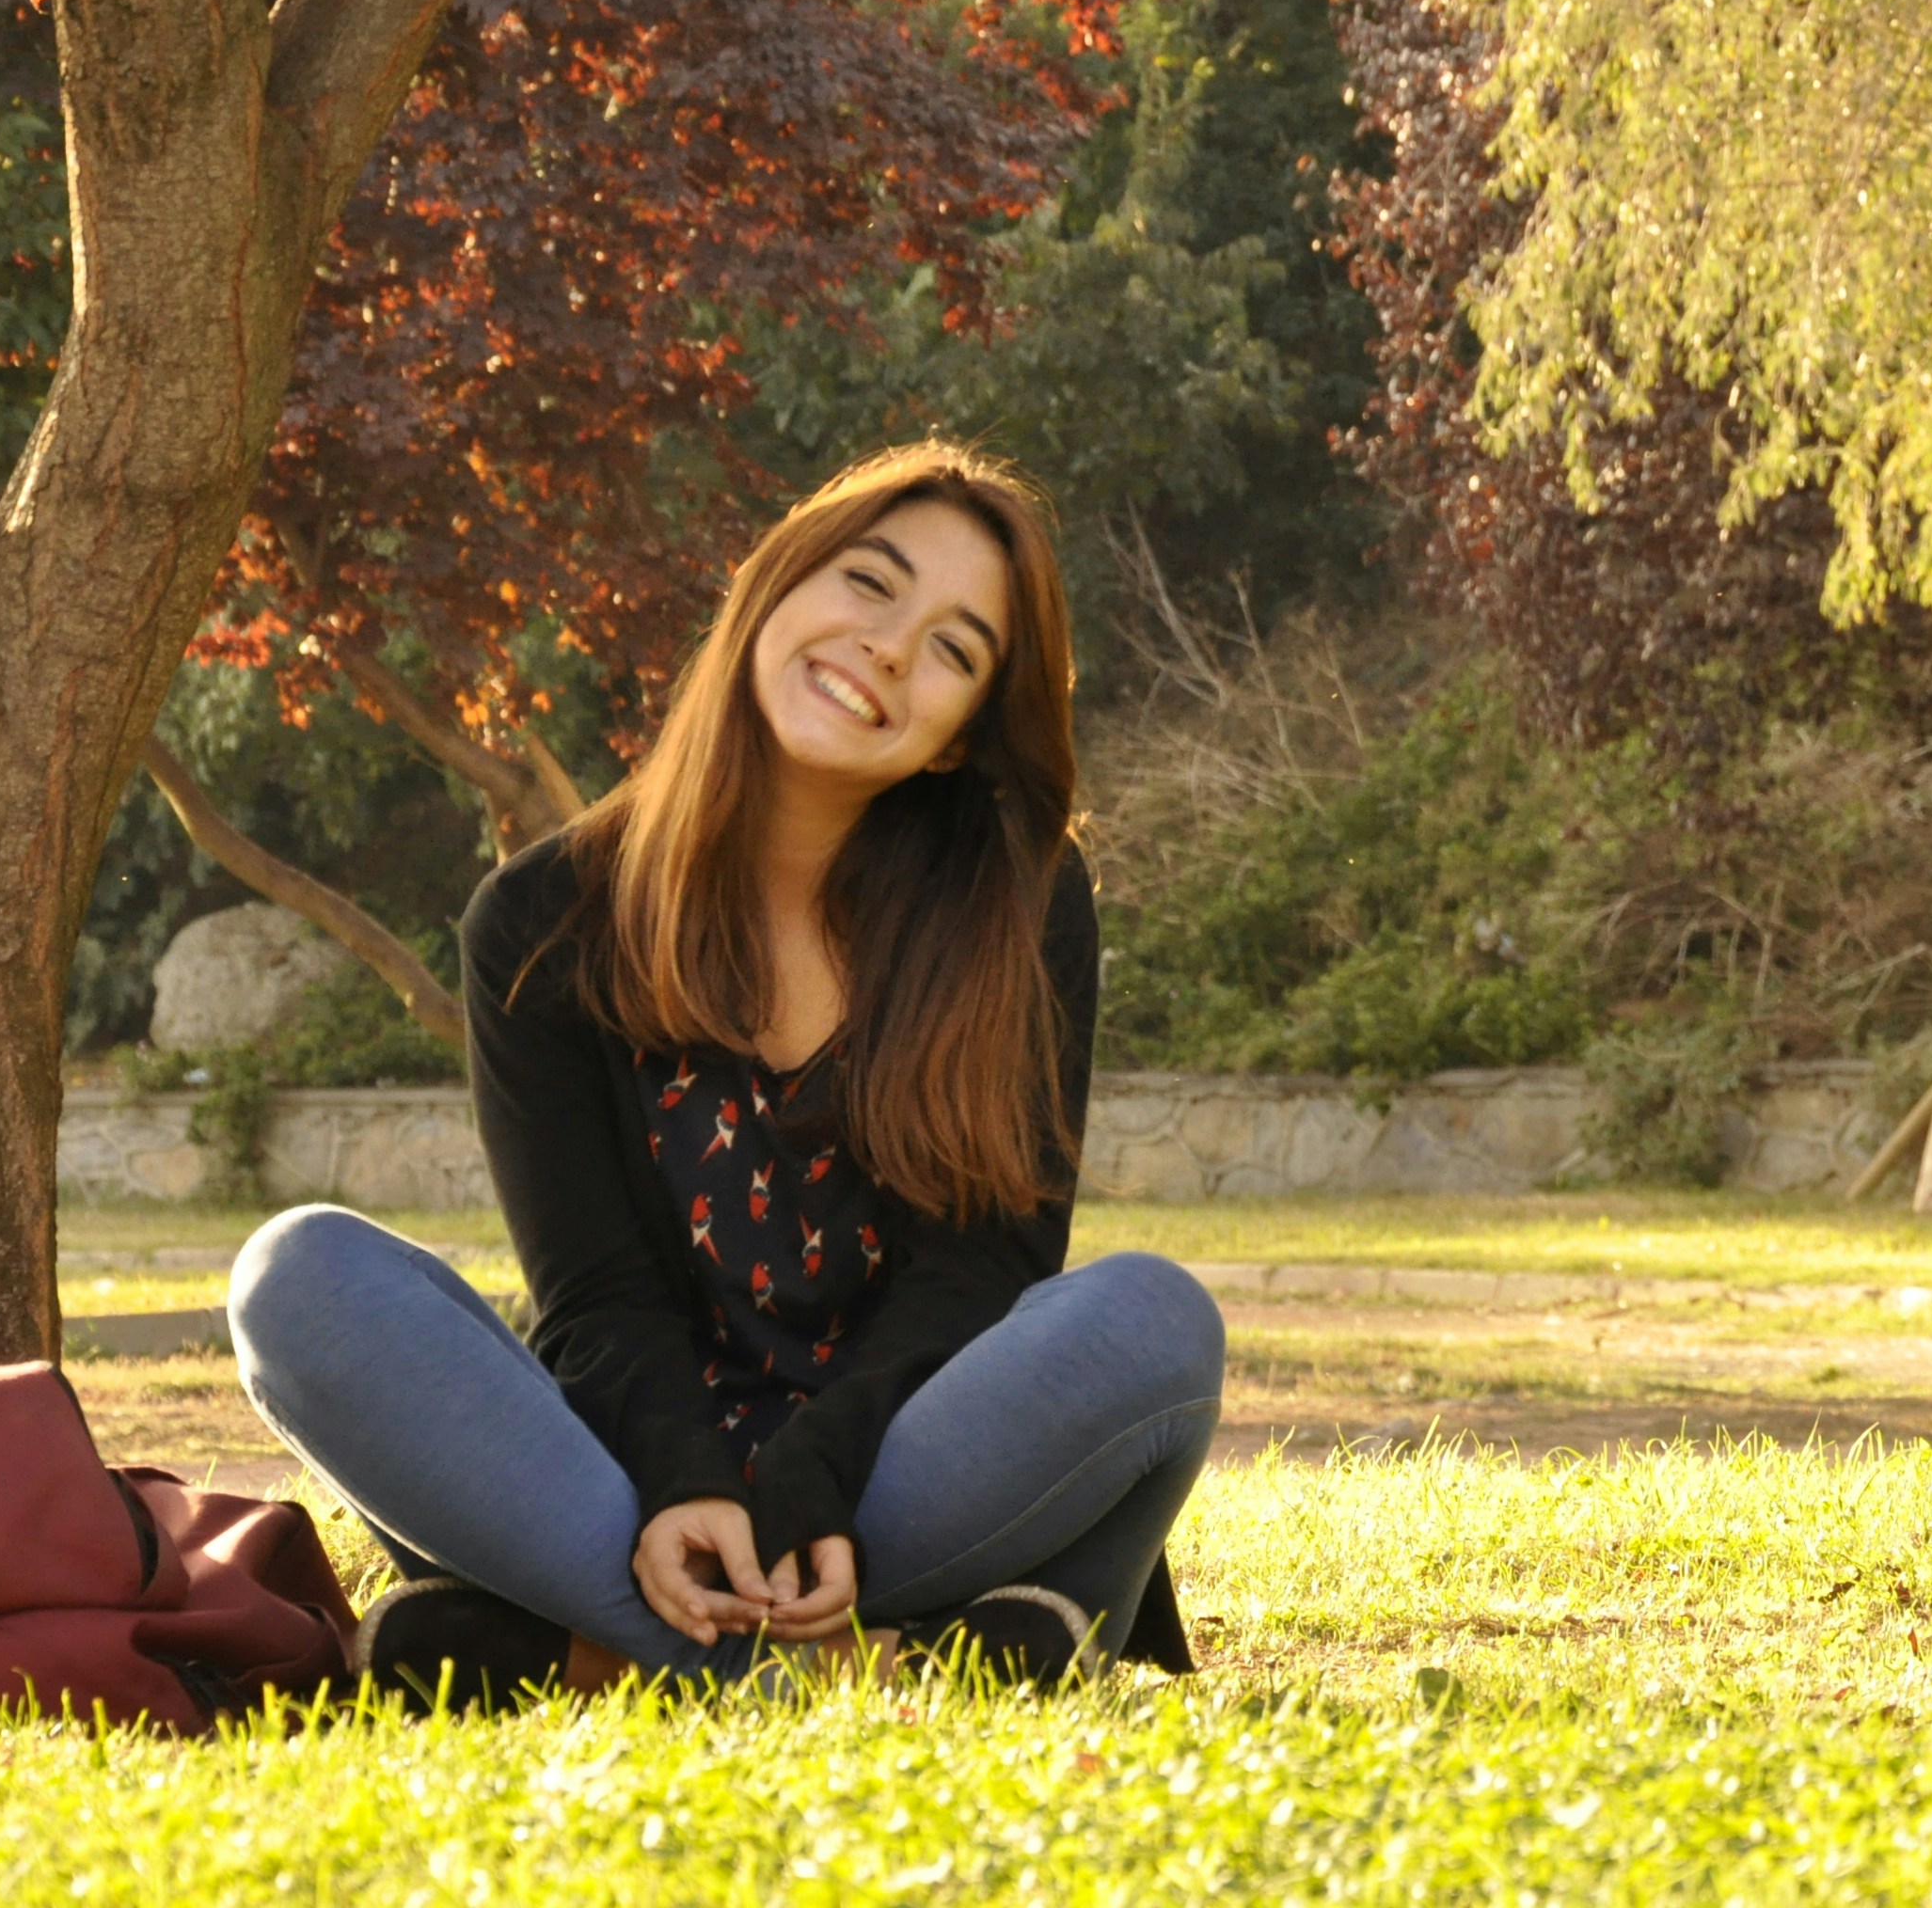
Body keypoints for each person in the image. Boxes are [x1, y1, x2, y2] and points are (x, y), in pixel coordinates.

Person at [227, 446, 1225, 1704]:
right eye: (870, 583)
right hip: (625, 1491)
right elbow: (595, 1298)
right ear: (775, 582)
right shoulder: (539, 923)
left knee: (1152, 1317)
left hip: (896, 1477)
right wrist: (687, 1487)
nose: (888, 649)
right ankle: (899, 1666)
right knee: (298, 1277)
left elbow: (988, 1274)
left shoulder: (1019, 906)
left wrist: (814, 1487)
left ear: (956, 743)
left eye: (955, 651)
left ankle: (581, 1660)